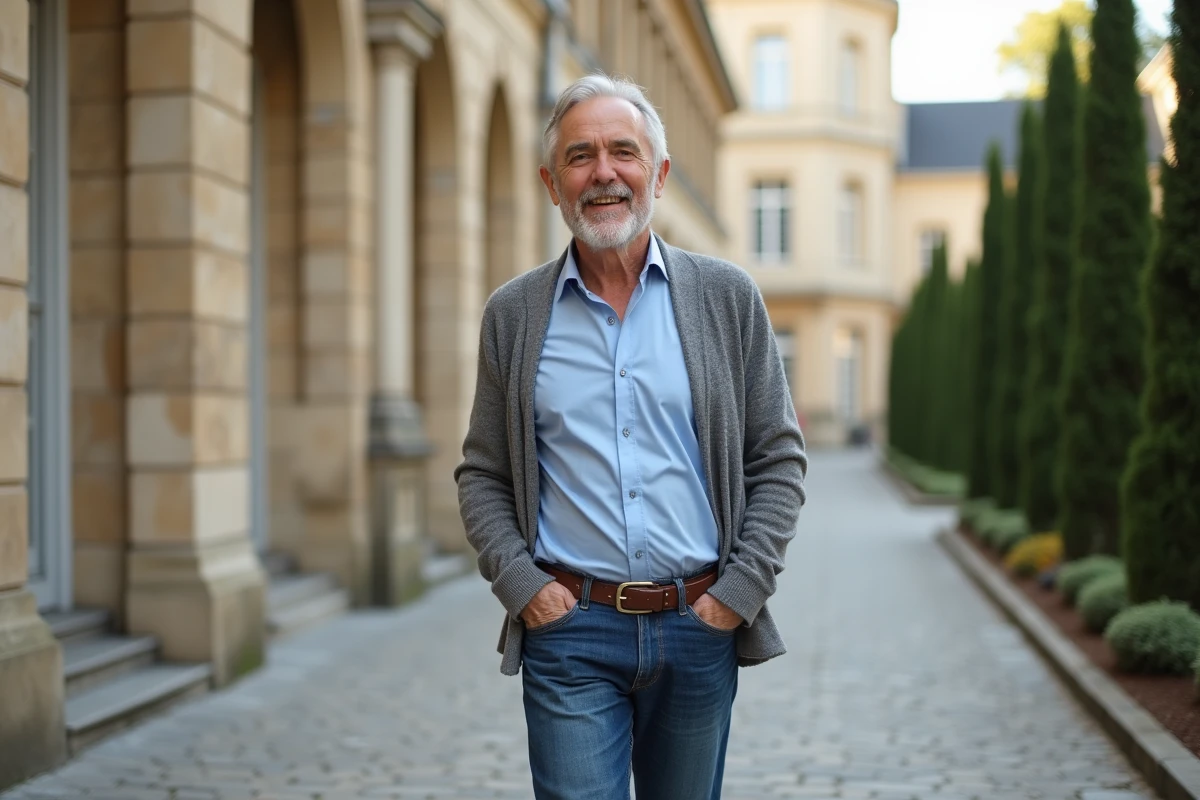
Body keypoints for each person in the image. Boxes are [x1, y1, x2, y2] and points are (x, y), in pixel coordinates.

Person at [455, 73, 808, 800]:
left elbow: (778, 457)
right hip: (571, 631)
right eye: (580, 156)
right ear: (552, 184)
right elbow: (483, 474)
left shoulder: (726, 297)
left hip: (698, 624)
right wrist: (523, 586)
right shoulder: (514, 314)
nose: (604, 173)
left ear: (660, 173)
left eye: (624, 151)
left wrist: (738, 592)